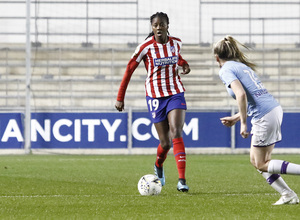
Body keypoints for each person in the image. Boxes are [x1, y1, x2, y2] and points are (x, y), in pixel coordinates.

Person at [213, 35, 300, 205]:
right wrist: (238, 118)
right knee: (256, 160)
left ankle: (289, 191)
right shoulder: (241, 67)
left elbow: (241, 94)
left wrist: (244, 123)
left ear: (217, 58)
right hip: (272, 109)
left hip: (265, 114)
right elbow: (254, 98)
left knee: (261, 163)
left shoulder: (225, 69)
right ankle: (287, 195)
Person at [115, 12, 191, 192]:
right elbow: (129, 70)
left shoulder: (176, 42)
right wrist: (120, 97)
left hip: (175, 92)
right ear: (152, 27)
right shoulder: (145, 47)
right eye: (155, 25)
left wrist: (184, 64)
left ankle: (182, 180)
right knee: (165, 143)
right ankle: (158, 165)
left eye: (161, 24)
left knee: (176, 131)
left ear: (167, 26)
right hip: (155, 96)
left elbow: (176, 57)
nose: (158, 28)